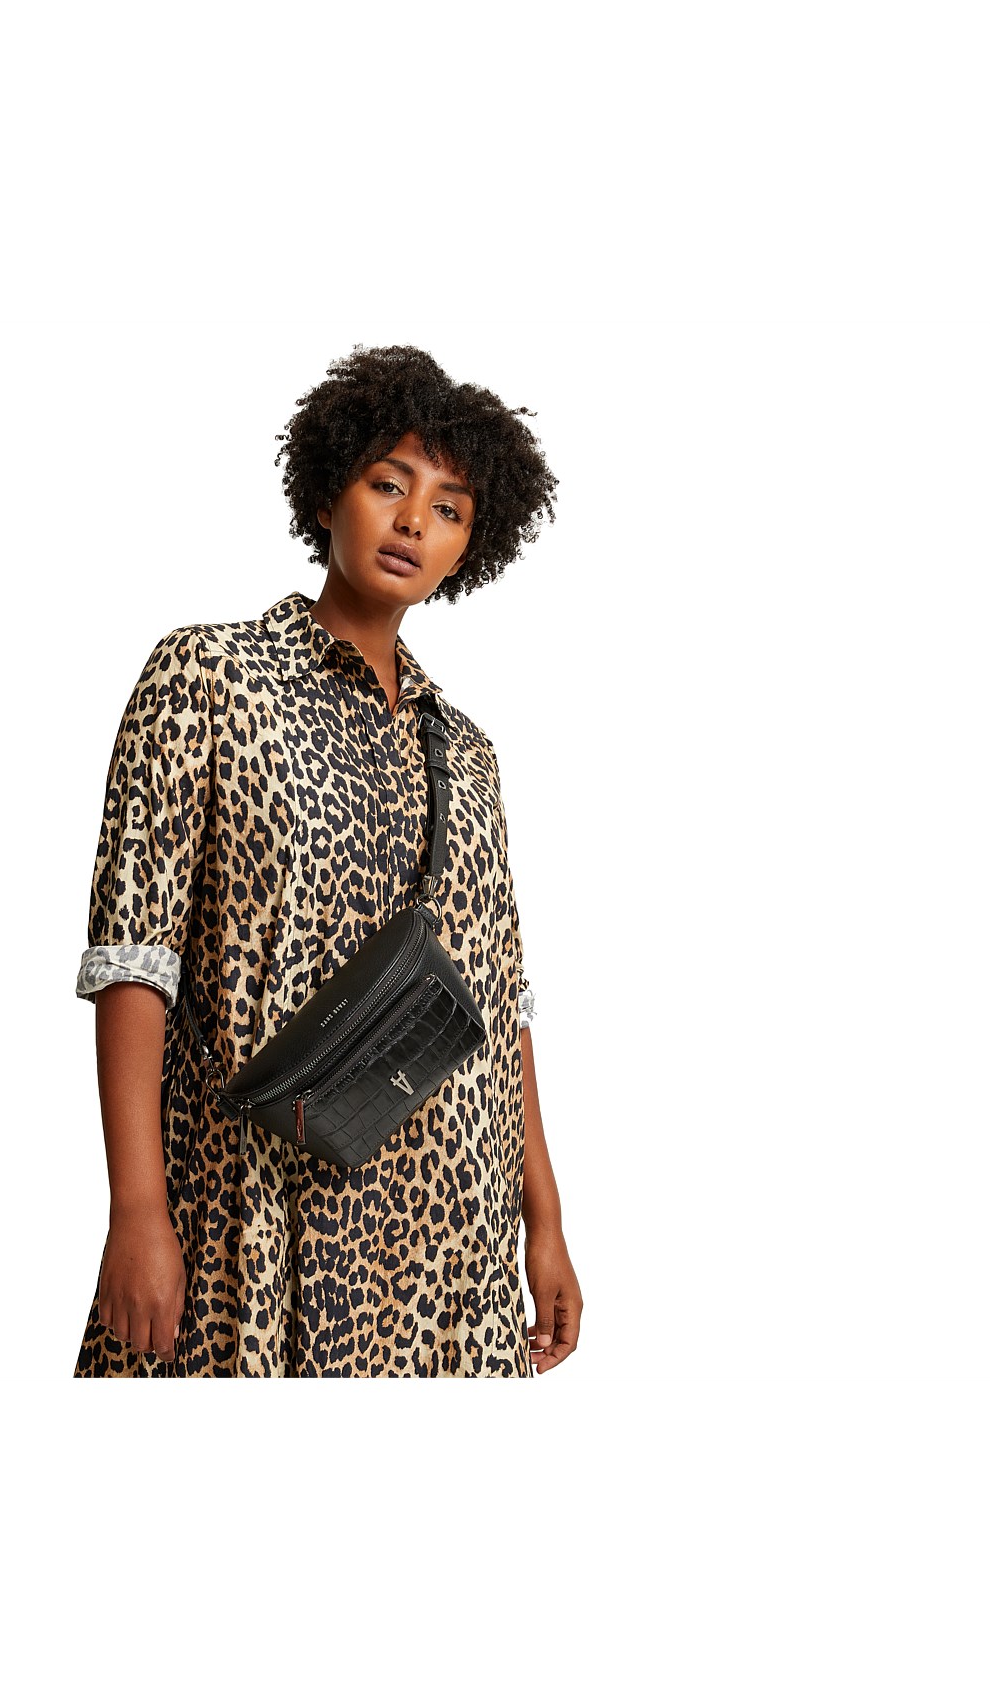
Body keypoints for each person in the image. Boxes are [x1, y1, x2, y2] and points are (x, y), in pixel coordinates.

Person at [72, 343, 583, 1377]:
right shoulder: (210, 674)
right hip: (256, 1209)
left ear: (467, 549)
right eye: (389, 484)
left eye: (448, 508)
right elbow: (135, 957)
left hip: (453, 1234)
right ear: (326, 493)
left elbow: (498, 998)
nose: (413, 521)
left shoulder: (467, 751)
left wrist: (548, 1219)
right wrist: (136, 1209)